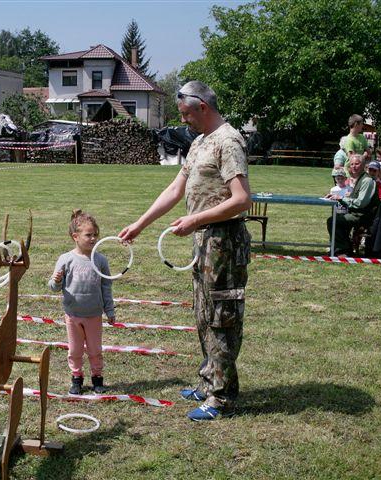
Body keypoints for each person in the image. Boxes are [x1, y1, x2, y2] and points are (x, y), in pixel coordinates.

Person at [118, 81, 252, 421]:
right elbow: (175, 189)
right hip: (204, 240)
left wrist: (195, 219)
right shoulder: (199, 142)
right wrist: (140, 224)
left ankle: (222, 397)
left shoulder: (228, 141)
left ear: (202, 107)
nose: (183, 120)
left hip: (224, 241)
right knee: (204, 313)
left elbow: (241, 199)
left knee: (221, 316)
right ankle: (209, 381)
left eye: (185, 114)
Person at [48, 210, 115, 395]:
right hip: (73, 315)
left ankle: (97, 378)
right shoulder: (66, 259)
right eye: (88, 235)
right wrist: (56, 280)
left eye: (95, 234)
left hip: (94, 315)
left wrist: (109, 310)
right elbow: (53, 287)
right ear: (75, 236)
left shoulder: (100, 260)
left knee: (95, 350)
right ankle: (76, 378)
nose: (93, 238)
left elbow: (106, 287)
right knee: (75, 350)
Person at [327, 154, 379, 256]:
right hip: (356, 213)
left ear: (363, 165)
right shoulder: (360, 178)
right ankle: (344, 248)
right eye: (351, 164)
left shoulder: (367, 180)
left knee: (333, 221)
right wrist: (335, 196)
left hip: (363, 216)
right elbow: (354, 199)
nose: (354, 166)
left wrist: (341, 198)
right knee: (338, 217)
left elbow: (361, 203)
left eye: (357, 164)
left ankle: (343, 251)